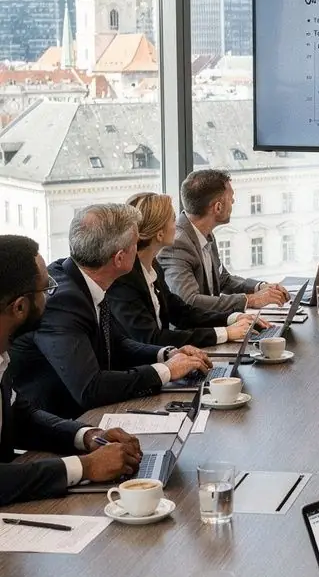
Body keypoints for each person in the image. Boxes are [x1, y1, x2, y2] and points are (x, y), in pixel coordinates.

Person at [11, 205, 211, 419]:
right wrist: (166, 370)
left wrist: (167, 354)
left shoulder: (85, 279)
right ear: (119, 258)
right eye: (135, 244)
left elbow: (117, 343)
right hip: (57, 425)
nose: (139, 249)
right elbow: (90, 388)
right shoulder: (63, 301)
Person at [0, 235, 141, 503]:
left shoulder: (2, 354)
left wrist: (87, 436)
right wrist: (85, 466)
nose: (51, 296)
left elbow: (21, 418)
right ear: (19, 307)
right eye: (46, 289)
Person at [107, 193, 260, 349]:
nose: (178, 224)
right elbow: (152, 338)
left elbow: (181, 312)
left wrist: (232, 318)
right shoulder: (124, 280)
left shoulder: (152, 266)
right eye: (173, 219)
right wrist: (224, 333)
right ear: (159, 234)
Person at [158, 169, 289, 317]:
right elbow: (189, 301)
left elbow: (223, 280)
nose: (233, 202)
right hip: (195, 330)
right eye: (231, 198)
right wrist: (251, 300)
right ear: (218, 207)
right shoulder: (177, 245)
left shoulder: (205, 233)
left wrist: (261, 287)